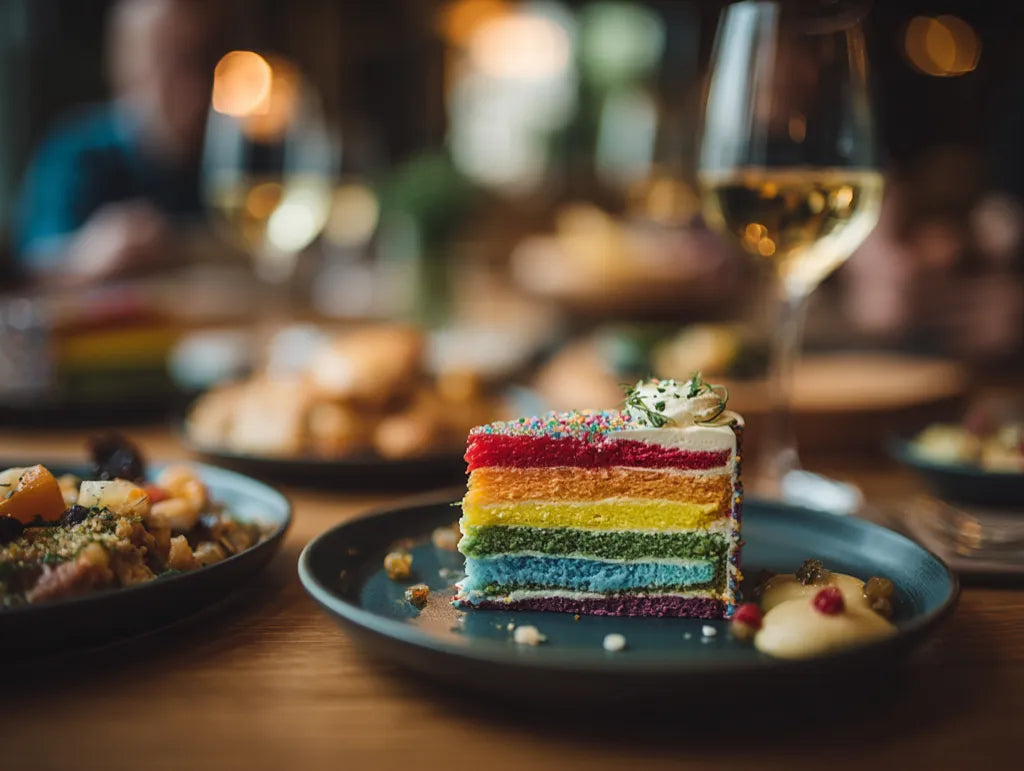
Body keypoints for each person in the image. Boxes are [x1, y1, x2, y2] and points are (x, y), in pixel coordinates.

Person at [13, 0, 222, 285]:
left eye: (206, 60)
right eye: (173, 62)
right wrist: (85, 256)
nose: (195, 83)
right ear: (127, 69)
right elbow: (32, 264)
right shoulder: (77, 150)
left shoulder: (227, 155)